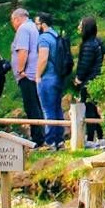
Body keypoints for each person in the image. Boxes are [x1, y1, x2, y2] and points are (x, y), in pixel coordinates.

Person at [10, 5, 45, 144]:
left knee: (31, 106)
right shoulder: (33, 27)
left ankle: (38, 138)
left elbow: (23, 50)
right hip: (34, 73)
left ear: (17, 19)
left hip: (27, 75)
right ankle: (41, 135)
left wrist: (20, 69)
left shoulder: (23, 29)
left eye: (12, 21)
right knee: (36, 105)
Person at [34, 10, 65, 147]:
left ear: (43, 24)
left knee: (48, 110)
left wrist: (38, 75)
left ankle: (50, 141)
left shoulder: (44, 38)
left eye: (37, 24)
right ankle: (60, 140)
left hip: (47, 78)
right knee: (57, 108)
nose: (36, 26)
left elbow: (43, 58)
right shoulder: (56, 35)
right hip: (58, 77)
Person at [75, 14, 105, 143]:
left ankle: (91, 139)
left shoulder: (88, 45)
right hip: (96, 79)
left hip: (89, 80)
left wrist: (79, 78)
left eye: (80, 26)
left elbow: (84, 64)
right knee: (93, 108)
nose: (78, 27)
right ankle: (101, 137)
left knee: (89, 110)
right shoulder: (98, 42)